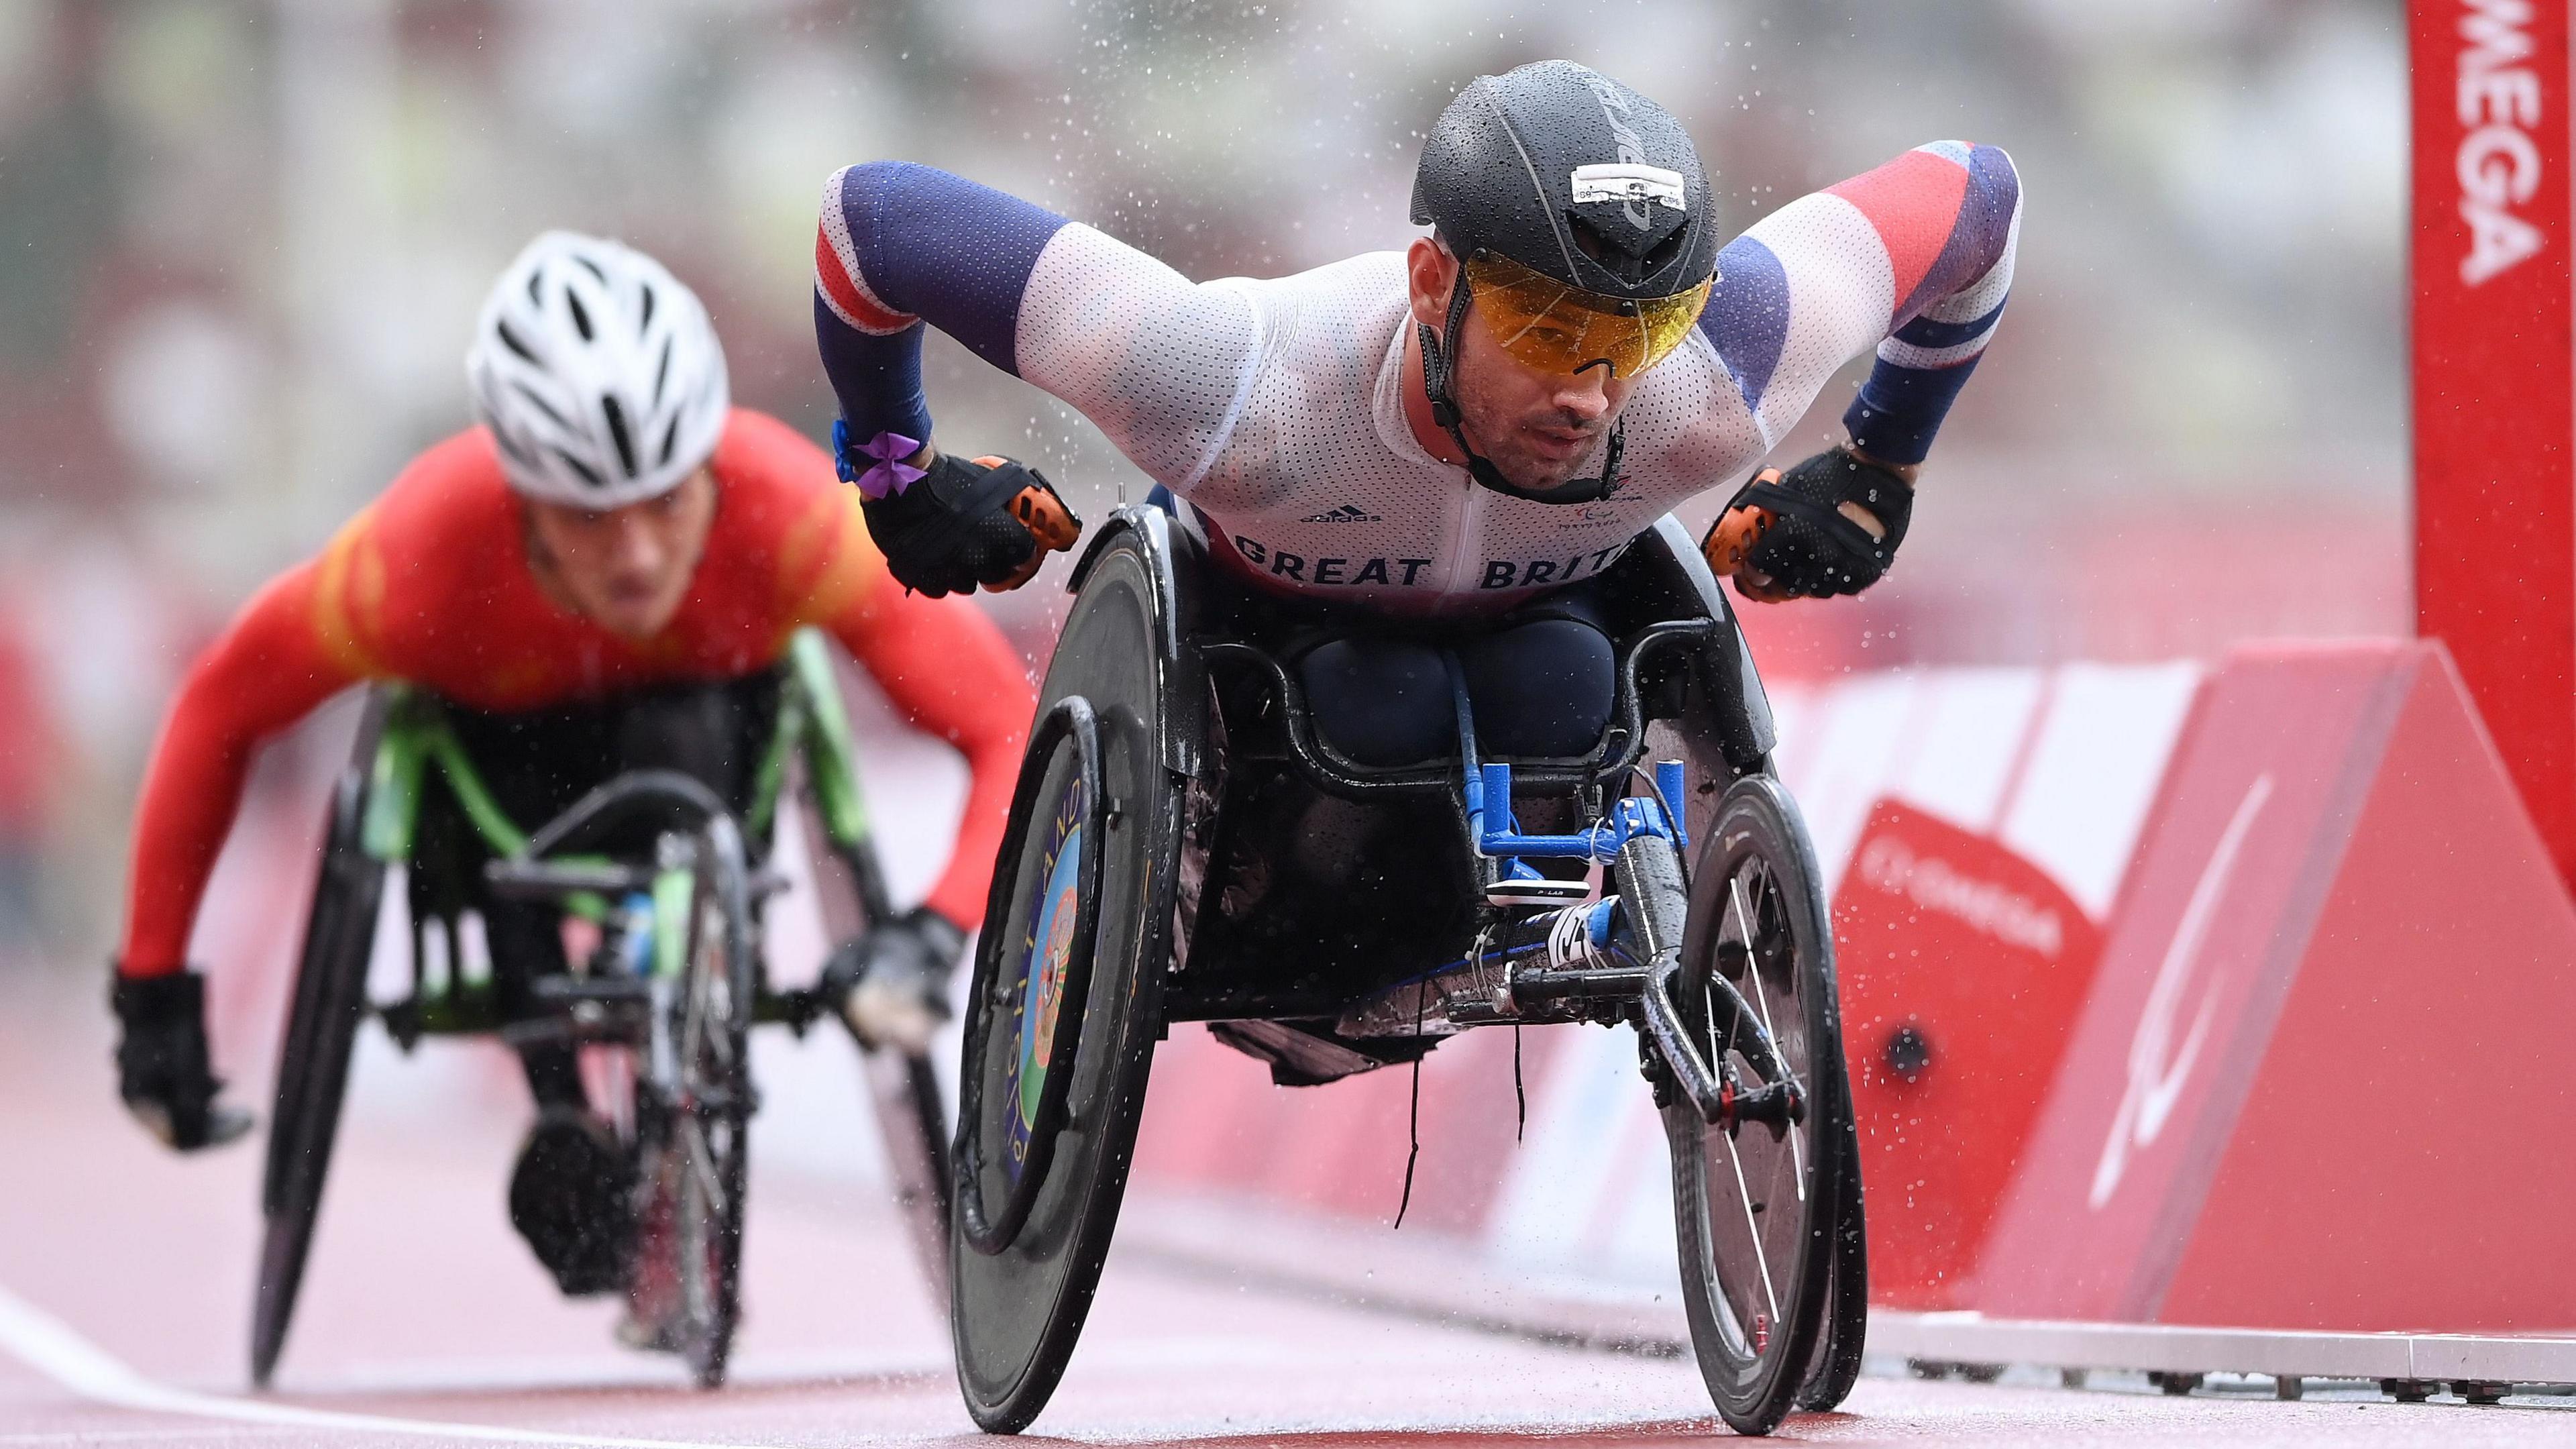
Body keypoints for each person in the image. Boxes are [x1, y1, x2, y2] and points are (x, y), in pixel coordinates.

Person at [109, 231, 1031, 1310]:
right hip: (505, 778)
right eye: (591, 514)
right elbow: (223, 702)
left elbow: (1004, 725)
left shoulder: (789, 513)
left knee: (698, 726)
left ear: (707, 468)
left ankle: (659, 1020)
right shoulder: (419, 556)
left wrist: (935, 929)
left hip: (712, 745)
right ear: (523, 495)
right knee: (477, 786)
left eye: (667, 501)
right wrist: (153, 992)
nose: (638, 553)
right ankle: (559, 1106)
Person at [811, 59, 2015, 769]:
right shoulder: (1224, 382)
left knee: (1561, 690)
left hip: (1553, 642)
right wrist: (895, 470)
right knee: (1370, 708)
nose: (1591, 395)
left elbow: (1981, 196)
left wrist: (1879, 460)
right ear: (1434, 285)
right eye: (1547, 330)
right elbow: (872, 219)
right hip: (1262, 671)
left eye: (1634, 336)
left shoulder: (1722, 365)